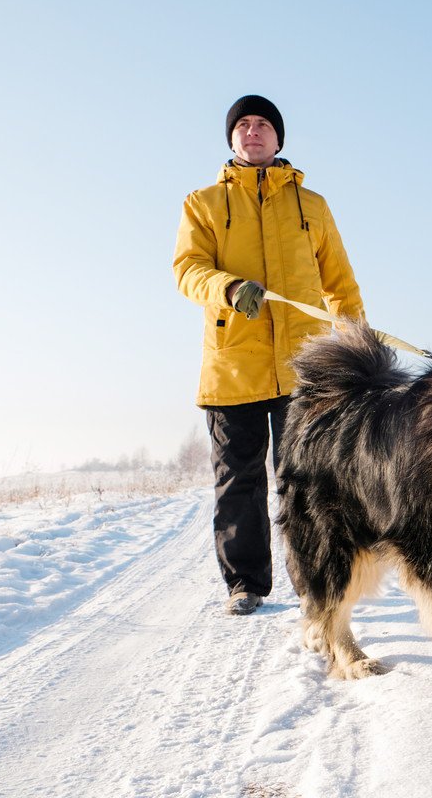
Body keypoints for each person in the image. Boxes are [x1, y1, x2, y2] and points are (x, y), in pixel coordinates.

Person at [173, 95, 365, 615]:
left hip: (304, 366)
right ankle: (247, 584)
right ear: (232, 139)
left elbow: (340, 285)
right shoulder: (203, 202)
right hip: (232, 364)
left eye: (262, 125)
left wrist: (356, 343)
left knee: (305, 479)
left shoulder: (312, 205)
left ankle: (314, 585)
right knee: (238, 479)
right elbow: (187, 270)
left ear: (279, 139)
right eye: (243, 125)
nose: (252, 131)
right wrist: (229, 287)